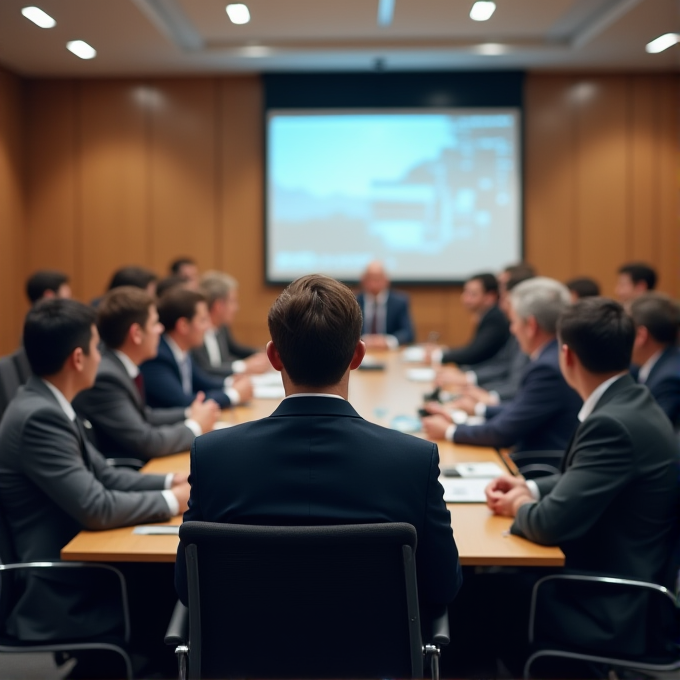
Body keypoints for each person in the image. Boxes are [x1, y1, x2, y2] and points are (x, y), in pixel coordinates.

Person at [175, 274, 462, 614]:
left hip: (248, 660)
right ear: (357, 355)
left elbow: (187, 587)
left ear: (273, 357)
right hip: (374, 660)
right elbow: (442, 586)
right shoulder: (415, 460)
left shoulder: (213, 456)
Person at [485, 297, 679, 655]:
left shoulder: (611, 424)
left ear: (567, 356)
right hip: (609, 575)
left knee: (473, 596)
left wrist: (521, 506)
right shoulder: (632, 400)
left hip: (607, 602)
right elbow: (584, 477)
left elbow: (547, 524)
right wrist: (529, 486)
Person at [0, 299, 189, 646]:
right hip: (63, 586)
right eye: (95, 347)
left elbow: (105, 474)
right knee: (177, 590)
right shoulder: (39, 418)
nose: (101, 357)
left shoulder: (48, 403)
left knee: (179, 585)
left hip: (84, 562)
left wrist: (169, 482)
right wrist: (171, 501)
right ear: (77, 358)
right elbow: (96, 506)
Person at [422, 278, 582, 453]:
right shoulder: (554, 354)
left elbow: (503, 432)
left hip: (534, 464)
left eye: (514, 322)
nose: (512, 330)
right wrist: (475, 411)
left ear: (531, 326)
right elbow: (520, 409)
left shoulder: (548, 368)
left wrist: (450, 431)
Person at [74, 287, 220, 460]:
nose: (160, 329)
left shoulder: (120, 366)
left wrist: (189, 413)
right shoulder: (107, 377)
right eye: (154, 323)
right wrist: (195, 425)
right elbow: (146, 442)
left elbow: (145, 415)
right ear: (136, 334)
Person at [140, 288, 253, 409]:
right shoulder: (157, 356)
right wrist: (233, 395)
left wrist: (231, 383)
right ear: (183, 325)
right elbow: (183, 402)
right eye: (203, 320)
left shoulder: (182, 350)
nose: (208, 326)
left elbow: (202, 381)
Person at [191, 271, 270, 378]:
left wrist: (260, 353)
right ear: (219, 305)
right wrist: (243, 367)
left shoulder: (222, 327)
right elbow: (205, 369)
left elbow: (233, 350)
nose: (236, 308)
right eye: (233, 301)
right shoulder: (196, 332)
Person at [435, 273, 510, 367]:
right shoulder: (485, 315)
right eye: (465, 292)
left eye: (472, 294)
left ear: (490, 297)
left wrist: (438, 355)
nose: (465, 298)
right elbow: (473, 348)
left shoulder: (495, 318)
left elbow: (474, 353)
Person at [630, 292, 680, 429]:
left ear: (641, 335)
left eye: (626, 329)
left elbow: (655, 433)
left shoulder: (668, 379)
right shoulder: (667, 361)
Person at [356, 261, 415, 348]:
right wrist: (363, 340)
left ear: (386, 280)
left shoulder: (399, 302)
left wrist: (388, 341)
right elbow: (346, 332)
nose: (373, 283)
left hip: (389, 353)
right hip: (362, 351)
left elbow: (408, 333)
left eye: (378, 278)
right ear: (363, 280)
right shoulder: (354, 301)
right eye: (370, 278)